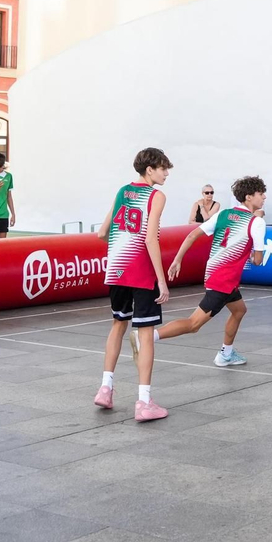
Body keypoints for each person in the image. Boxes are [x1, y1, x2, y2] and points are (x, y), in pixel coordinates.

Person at [92, 147, 171, 422]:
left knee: (117, 325)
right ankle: (144, 402)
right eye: (163, 168)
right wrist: (161, 280)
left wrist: (119, 247)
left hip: (116, 271)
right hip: (141, 272)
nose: (166, 173)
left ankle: (106, 387)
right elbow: (151, 239)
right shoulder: (156, 196)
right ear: (150, 169)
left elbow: (102, 233)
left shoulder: (122, 191)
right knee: (145, 334)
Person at [159, 175, 267, 367]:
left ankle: (226, 353)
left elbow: (193, 234)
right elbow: (258, 261)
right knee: (194, 325)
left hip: (215, 273)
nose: (264, 197)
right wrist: (251, 254)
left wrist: (177, 259)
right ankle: (148, 336)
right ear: (249, 197)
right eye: (260, 193)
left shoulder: (223, 214)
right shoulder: (256, 223)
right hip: (224, 280)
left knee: (239, 310)